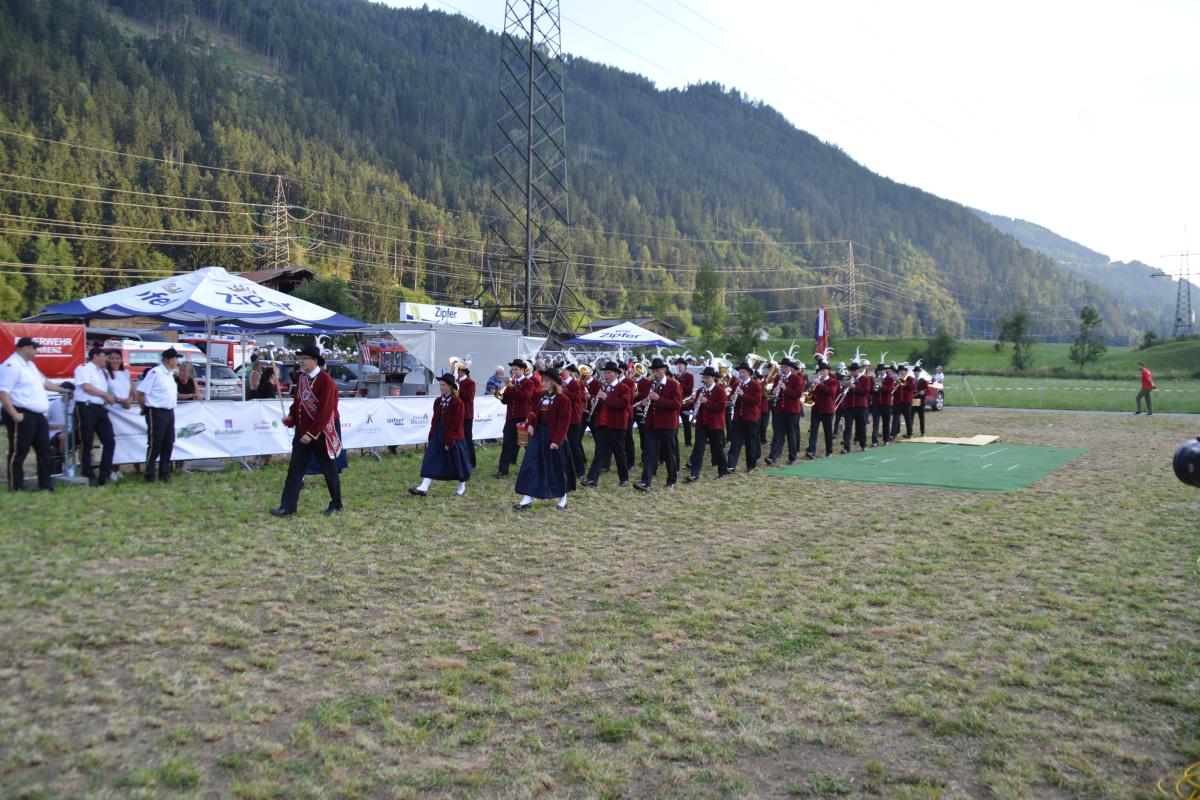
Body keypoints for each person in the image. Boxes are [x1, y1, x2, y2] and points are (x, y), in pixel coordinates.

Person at [271, 344, 343, 516]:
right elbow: (298, 403)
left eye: (304, 358)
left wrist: (311, 433)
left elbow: (325, 410)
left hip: (321, 432)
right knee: (295, 469)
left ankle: (336, 504)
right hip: (302, 431)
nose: (301, 362)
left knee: (329, 469)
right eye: (300, 359)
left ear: (315, 360)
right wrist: (291, 417)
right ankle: (288, 507)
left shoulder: (326, 380)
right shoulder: (302, 378)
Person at [1, 336, 73, 491]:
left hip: (38, 414)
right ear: (25, 348)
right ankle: (16, 485)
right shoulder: (11, 365)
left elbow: (45, 383)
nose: (36, 352)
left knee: (44, 449)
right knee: (19, 450)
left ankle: (45, 485)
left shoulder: (31, 365)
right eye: (35, 348)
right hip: (21, 411)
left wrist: (64, 390)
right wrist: (14, 415)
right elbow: (3, 392)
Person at [513, 369, 574, 510]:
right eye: (543, 380)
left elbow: (564, 422)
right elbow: (533, 413)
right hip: (539, 435)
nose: (544, 382)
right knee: (530, 464)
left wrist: (557, 441)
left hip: (554, 436)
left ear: (554, 383)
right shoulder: (540, 396)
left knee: (556, 468)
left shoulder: (563, 399)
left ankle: (563, 498)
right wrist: (530, 424)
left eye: (547, 380)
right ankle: (527, 498)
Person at [409, 372, 472, 498]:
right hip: (438, 434)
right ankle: (423, 487)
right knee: (431, 458)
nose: (441, 387)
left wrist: (450, 440)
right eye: (440, 385)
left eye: (443, 385)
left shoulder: (457, 402)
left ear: (451, 386)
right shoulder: (438, 401)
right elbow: (435, 419)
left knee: (457, 462)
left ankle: (461, 487)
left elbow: (457, 423)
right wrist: (432, 434)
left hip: (453, 436)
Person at [633, 357, 681, 491]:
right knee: (649, 453)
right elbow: (647, 401)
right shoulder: (650, 384)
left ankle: (671, 480)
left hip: (667, 425)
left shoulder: (673, 385)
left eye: (658, 371)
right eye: (653, 371)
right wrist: (643, 403)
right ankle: (645, 482)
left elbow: (676, 405)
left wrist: (659, 399)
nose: (655, 373)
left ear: (664, 370)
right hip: (652, 424)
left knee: (668, 453)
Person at [73, 346, 119, 486]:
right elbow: (86, 387)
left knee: (109, 441)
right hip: (86, 407)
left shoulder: (102, 372)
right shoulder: (84, 368)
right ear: (95, 356)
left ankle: (104, 474)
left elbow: (104, 389)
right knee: (86, 442)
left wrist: (109, 397)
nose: (106, 359)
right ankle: (88, 474)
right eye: (104, 356)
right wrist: (105, 395)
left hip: (100, 408)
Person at [582, 361, 632, 487]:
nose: (606, 375)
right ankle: (592, 479)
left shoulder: (624, 388)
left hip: (617, 426)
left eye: (608, 373)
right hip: (602, 425)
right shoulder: (603, 387)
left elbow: (623, 405)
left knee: (619, 453)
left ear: (616, 374)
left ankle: (624, 478)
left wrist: (606, 398)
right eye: (605, 373)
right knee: (598, 453)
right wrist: (595, 401)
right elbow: (600, 406)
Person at [136, 348, 180, 483]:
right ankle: (149, 474)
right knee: (155, 444)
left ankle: (164, 474)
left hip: (169, 411)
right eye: (175, 358)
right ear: (168, 360)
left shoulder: (170, 374)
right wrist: (145, 408)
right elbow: (141, 393)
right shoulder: (155, 372)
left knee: (168, 443)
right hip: (156, 411)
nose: (177, 361)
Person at [684, 366, 729, 482]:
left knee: (718, 449)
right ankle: (694, 474)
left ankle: (723, 471)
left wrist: (707, 402)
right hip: (702, 424)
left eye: (707, 378)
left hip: (715, 425)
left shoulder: (720, 391)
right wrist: (693, 404)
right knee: (698, 449)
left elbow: (721, 408)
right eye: (703, 377)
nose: (704, 380)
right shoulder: (700, 391)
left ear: (713, 378)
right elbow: (696, 406)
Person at [494, 359, 537, 477]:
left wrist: (511, 387)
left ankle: (533, 468)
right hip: (510, 418)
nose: (514, 371)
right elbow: (505, 401)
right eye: (512, 369)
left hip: (523, 418)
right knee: (506, 444)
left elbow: (524, 396)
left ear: (522, 370)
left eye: (516, 369)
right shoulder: (511, 382)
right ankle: (502, 470)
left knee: (527, 444)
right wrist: (501, 393)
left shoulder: (528, 383)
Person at [766, 359, 805, 465]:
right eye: (781, 367)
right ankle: (773, 456)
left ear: (789, 368)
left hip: (792, 411)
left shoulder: (796, 378)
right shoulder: (778, 377)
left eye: (784, 367)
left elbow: (798, 394)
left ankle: (792, 458)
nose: (782, 369)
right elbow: (773, 390)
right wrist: (773, 391)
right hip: (779, 410)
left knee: (791, 434)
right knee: (778, 434)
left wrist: (785, 389)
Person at [726, 362, 762, 473]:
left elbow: (756, 402)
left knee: (750, 443)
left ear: (749, 373)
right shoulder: (736, 384)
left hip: (750, 418)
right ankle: (731, 465)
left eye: (743, 372)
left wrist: (743, 395)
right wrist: (731, 397)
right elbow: (731, 399)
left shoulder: (756, 385)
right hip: (738, 418)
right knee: (735, 442)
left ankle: (751, 466)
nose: (741, 374)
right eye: (740, 372)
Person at [804, 364, 837, 460]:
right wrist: (808, 392)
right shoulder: (816, 381)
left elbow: (830, 392)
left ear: (828, 371)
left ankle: (829, 451)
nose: (821, 372)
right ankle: (811, 450)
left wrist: (820, 384)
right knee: (813, 430)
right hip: (816, 409)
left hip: (827, 410)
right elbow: (811, 394)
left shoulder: (833, 381)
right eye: (820, 371)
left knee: (828, 431)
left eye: (823, 370)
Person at [562, 364, 588, 479]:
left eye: (564, 370)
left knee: (574, 444)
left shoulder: (575, 383)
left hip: (574, 418)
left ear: (569, 371)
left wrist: (564, 389)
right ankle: (568, 468)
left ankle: (580, 470)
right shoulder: (561, 383)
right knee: (565, 444)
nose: (562, 372)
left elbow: (575, 398)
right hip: (564, 417)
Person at [47, 381, 74, 475]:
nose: (67, 395)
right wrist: (58, 426)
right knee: (63, 436)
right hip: (55, 433)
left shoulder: (74, 405)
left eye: (70, 393)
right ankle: (62, 459)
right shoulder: (52, 404)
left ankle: (61, 460)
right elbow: (43, 424)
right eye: (65, 393)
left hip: (71, 433)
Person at [455, 361, 477, 467]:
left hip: (466, 415)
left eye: (458, 370)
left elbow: (469, 397)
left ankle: (471, 462)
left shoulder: (470, 382)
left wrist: (458, 388)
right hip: (456, 413)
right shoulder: (455, 381)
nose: (456, 372)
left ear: (463, 371)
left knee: (467, 439)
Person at [674, 357, 694, 448]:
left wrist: (678, 383)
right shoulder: (675, 376)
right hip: (677, 402)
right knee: (675, 422)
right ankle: (674, 440)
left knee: (686, 422)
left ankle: (688, 442)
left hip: (685, 402)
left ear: (685, 365)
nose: (679, 366)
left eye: (680, 364)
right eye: (677, 364)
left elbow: (689, 389)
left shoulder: (689, 376)